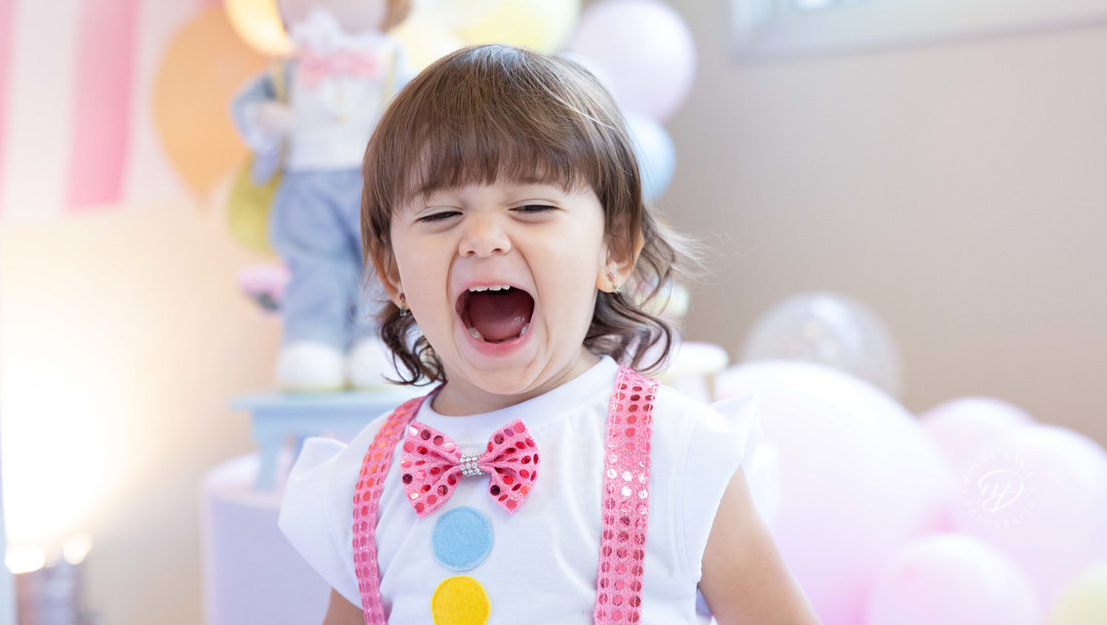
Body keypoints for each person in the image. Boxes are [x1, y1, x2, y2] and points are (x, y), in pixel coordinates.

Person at [278, 45, 822, 624]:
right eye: (440, 215)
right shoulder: (365, 477)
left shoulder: (680, 449)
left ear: (613, 250)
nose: (483, 238)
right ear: (391, 272)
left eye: (533, 206)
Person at [230, 0, 414, 391]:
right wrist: (264, 116)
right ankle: (311, 343)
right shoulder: (287, 68)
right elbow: (245, 109)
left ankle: (379, 340)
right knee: (315, 264)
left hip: (377, 182)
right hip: (306, 185)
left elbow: (421, 111)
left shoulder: (391, 61)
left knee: (384, 259)